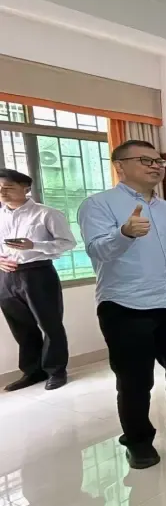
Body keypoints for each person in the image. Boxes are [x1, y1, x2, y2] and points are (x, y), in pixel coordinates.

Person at [78, 140, 166, 469]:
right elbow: (97, 251)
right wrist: (125, 233)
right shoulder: (98, 205)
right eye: (146, 160)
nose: (156, 166)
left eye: (159, 162)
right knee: (135, 379)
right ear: (120, 166)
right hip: (125, 305)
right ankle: (138, 441)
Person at [0, 168, 74, 392]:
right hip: (6, 275)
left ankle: (56, 371)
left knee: (50, 324)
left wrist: (34, 245)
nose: (2, 192)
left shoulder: (46, 213)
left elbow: (68, 243)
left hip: (38, 273)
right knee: (21, 327)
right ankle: (32, 372)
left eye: (8, 187)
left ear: (26, 188)